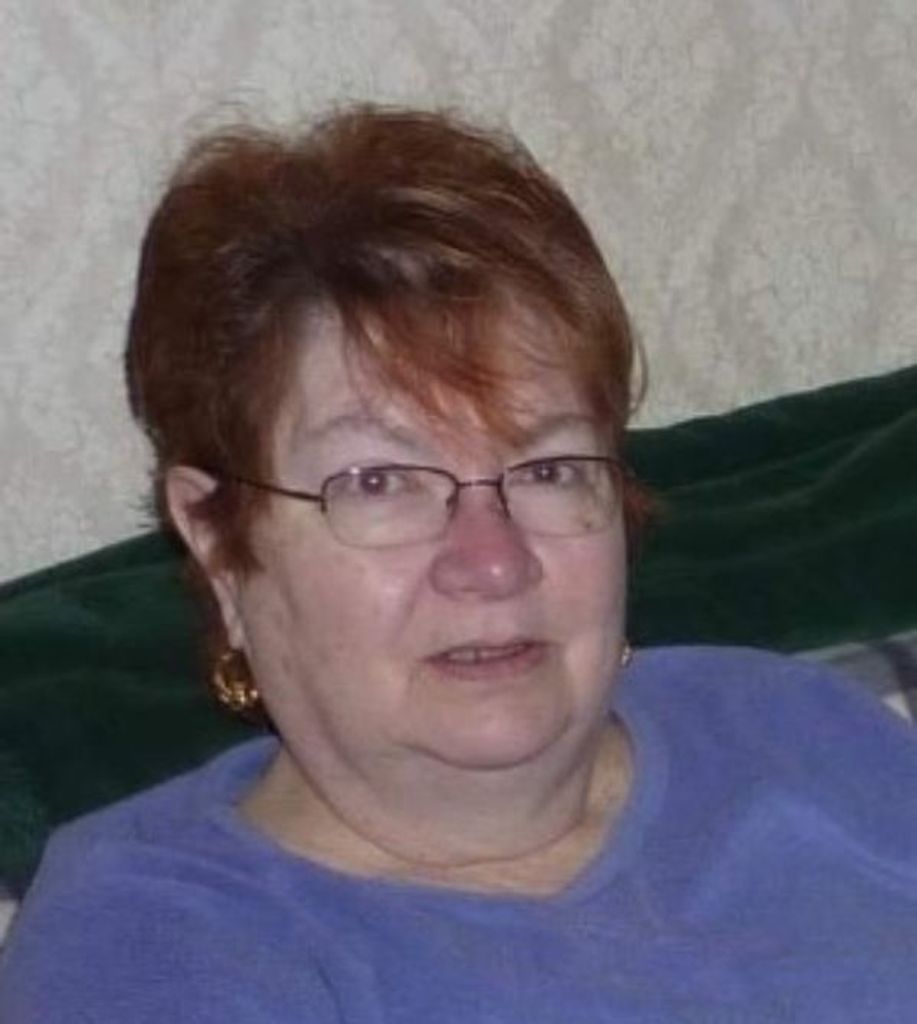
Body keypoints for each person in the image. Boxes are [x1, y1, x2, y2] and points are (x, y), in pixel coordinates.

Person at [1, 104, 916, 1023]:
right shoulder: (150, 948)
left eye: (548, 469)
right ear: (217, 539)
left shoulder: (792, 725)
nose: (493, 562)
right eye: (380, 482)